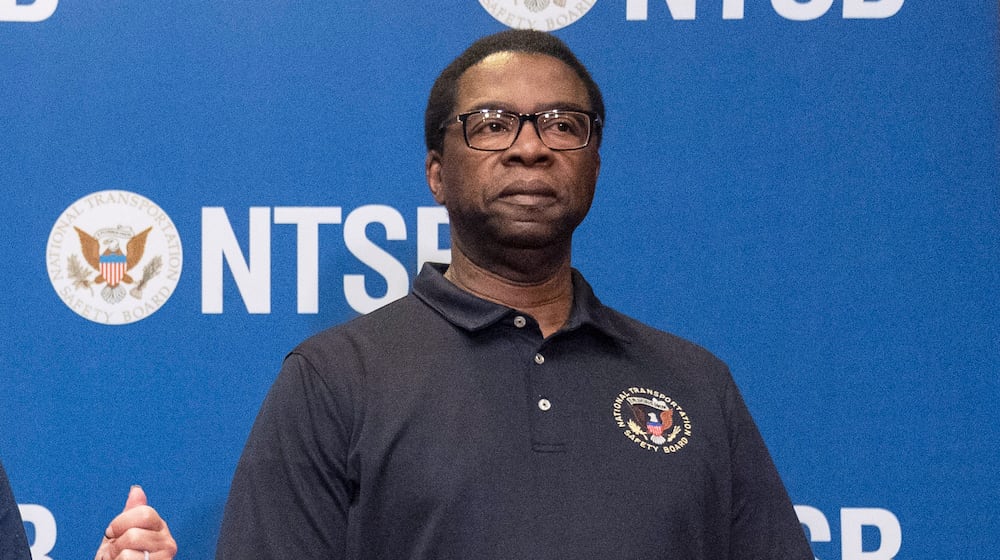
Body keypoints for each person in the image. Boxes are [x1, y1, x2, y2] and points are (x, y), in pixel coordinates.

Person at [216, 29, 814, 559]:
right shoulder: (333, 379)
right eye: (493, 125)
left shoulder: (697, 383)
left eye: (562, 125)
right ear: (437, 174)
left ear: (595, 165)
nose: (531, 147)